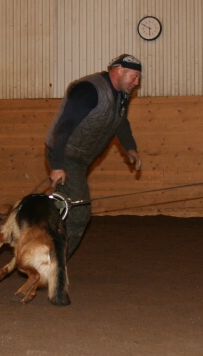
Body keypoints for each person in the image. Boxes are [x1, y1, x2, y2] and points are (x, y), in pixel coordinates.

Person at [45, 54, 143, 259]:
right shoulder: (89, 90)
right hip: (65, 155)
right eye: (134, 76)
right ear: (118, 71)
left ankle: (37, 234)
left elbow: (121, 121)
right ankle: (53, 265)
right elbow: (64, 127)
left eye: (139, 78)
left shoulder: (122, 95)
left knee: (64, 208)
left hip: (80, 159)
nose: (137, 82)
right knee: (80, 213)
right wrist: (57, 165)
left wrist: (130, 148)